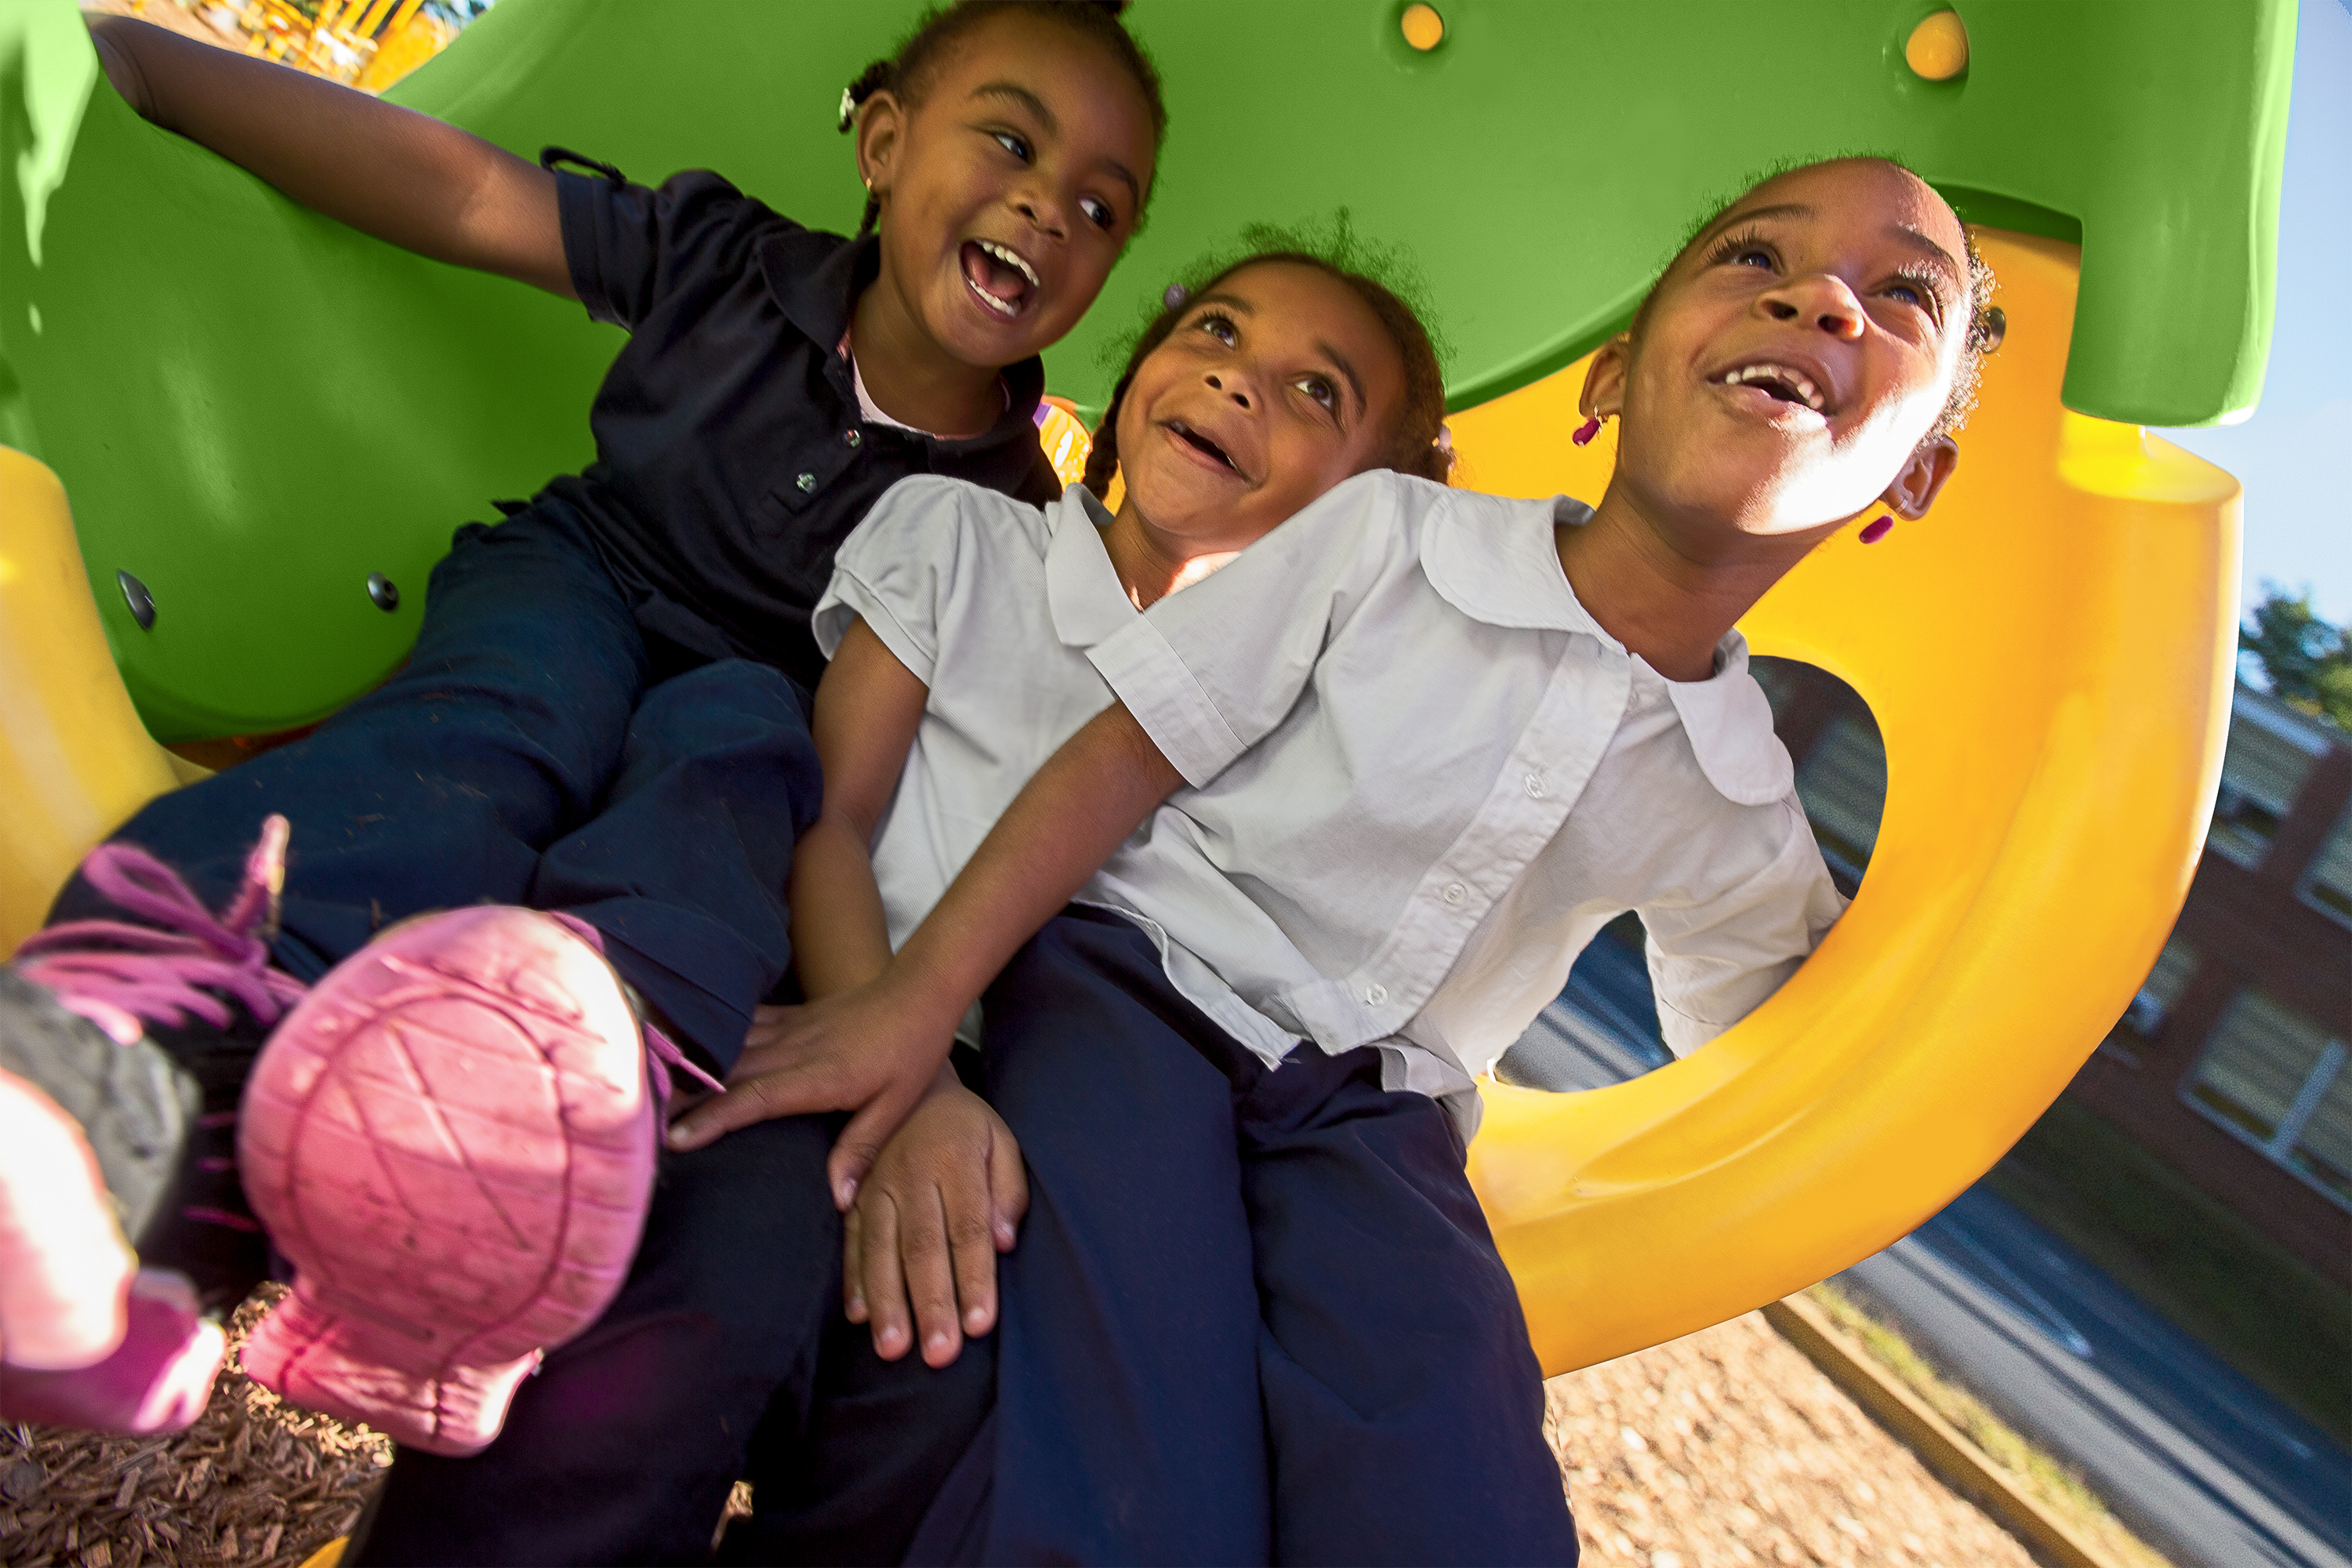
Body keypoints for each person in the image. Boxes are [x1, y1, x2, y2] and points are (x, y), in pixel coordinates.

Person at [685, 154, 1998, 1563]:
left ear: (1912, 479)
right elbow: (1128, 755)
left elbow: (1783, 1071)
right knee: (1140, 1456)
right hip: (1143, 996)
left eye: (1900, 296)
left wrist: (1972, 998)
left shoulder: (1741, 810)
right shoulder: (1386, 543)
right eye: (1757, 258)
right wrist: (917, 1006)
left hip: (1385, 1119)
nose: (1820, 300)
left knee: (1459, 1496)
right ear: (1609, 378)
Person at [0, 0, 1161, 1508]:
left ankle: (510, 1171)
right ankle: (109, 1089)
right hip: (583, 583)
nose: (1043, 205)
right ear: (882, 145)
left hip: (765, 707)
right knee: (489, 738)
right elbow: (458, 191)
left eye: (1099, 207)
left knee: (727, 795)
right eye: (1009, 138)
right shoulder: (726, 263)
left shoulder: (1015, 528)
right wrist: (150, 69)